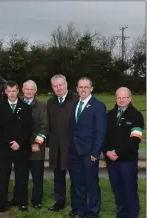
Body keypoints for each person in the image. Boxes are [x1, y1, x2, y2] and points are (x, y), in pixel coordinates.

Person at [0, 81, 33, 214]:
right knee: (3, 177)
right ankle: (0, 203)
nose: (12, 93)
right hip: (4, 147)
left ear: (18, 91)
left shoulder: (26, 107)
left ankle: (21, 202)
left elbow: (28, 128)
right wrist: (9, 142)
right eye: (9, 91)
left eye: (14, 91)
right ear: (5, 92)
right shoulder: (0, 107)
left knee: (22, 176)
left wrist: (19, 142)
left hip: (21, 147)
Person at [103, 87, 144, 218]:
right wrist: (107, 151)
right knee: (117, 189)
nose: (121, 100)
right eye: (118, 97)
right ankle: (121, 214)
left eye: (124, 97)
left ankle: (132, 214)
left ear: (130, 98)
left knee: (129, 190)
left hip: (128, 161)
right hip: (111, 160)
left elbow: (135, 139)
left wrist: (118, 152)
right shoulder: (109, 115)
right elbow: (103, 136)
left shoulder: (136, 115)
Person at [69, 77, 106, 218]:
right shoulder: (75, 104)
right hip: (75, 151)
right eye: (80, 87)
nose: (83, 89)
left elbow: (101, 132)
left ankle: (93, 213)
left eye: (86, 87)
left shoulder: (98, 106)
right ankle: (81, 210)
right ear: (77, 89)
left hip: (89, 153)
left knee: (91, 184)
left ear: (92, 89)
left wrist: (95, 152)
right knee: (78, 183)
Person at [46, 74, 79, 213]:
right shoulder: (50, 102)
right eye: (55, 86)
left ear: (66, 84)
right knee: (58, 177)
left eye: (61, 85)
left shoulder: (77, 99)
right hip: (56, 147)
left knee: (75, 178)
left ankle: (76, 206)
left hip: (73, 147)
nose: (58, 88)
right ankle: (60, 202)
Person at [22, 80, 49, 209]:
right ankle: (22, 200)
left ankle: (36, 200)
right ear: (22, 90)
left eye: (31, 89)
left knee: (37, 177)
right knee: (22, 176)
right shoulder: (17, 104)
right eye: (27, 89)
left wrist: (37, 143)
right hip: (21, 147)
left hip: (36, 147)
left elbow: (45, 127)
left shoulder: (42, 106)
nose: (29, 91)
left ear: (35, 91)